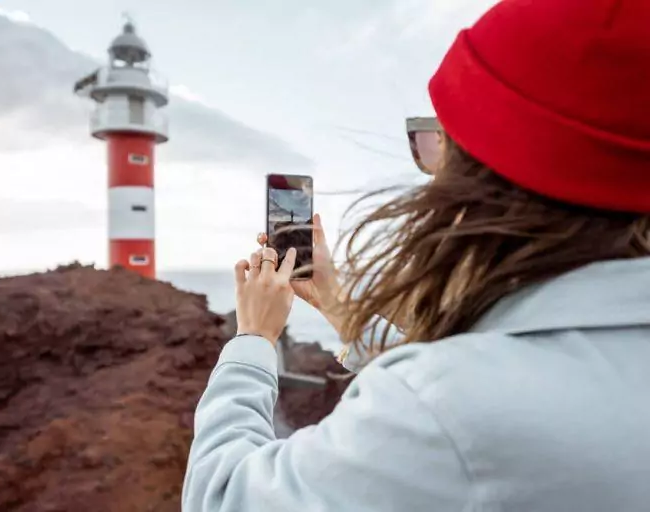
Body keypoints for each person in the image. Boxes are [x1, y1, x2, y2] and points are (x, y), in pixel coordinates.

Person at [182, 0, 650, 510]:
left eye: (441, 147)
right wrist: (339, 305)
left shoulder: (447, 406)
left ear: (496, 177)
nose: (431, 180)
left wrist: (254, 340)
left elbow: (221, 496)